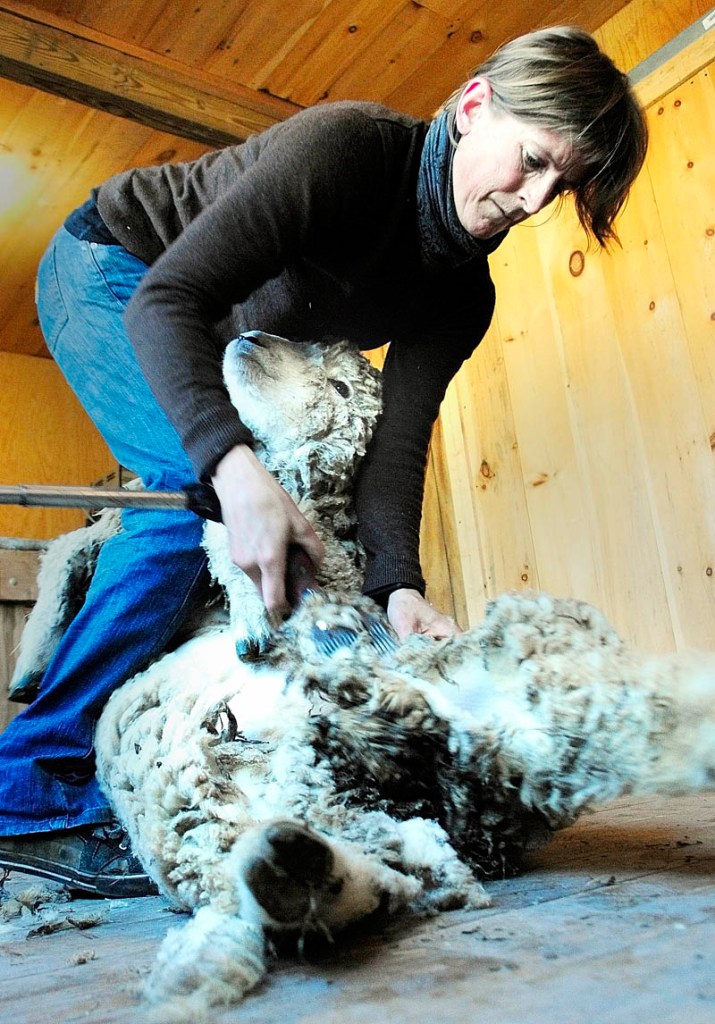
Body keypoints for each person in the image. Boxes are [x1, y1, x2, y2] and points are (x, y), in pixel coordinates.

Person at [0, 26, 647, 896]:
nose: (532, 201)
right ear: (471, 105)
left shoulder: (463, 292)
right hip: (113, 270)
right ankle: (26, 792)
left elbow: (397, 445)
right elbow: (169, 300)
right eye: (530, 160)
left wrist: (399, 588)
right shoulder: (344, 151)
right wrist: (231, 472)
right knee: (186, 518)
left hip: (211, 327)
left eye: (558, 186)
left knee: (262, 550)